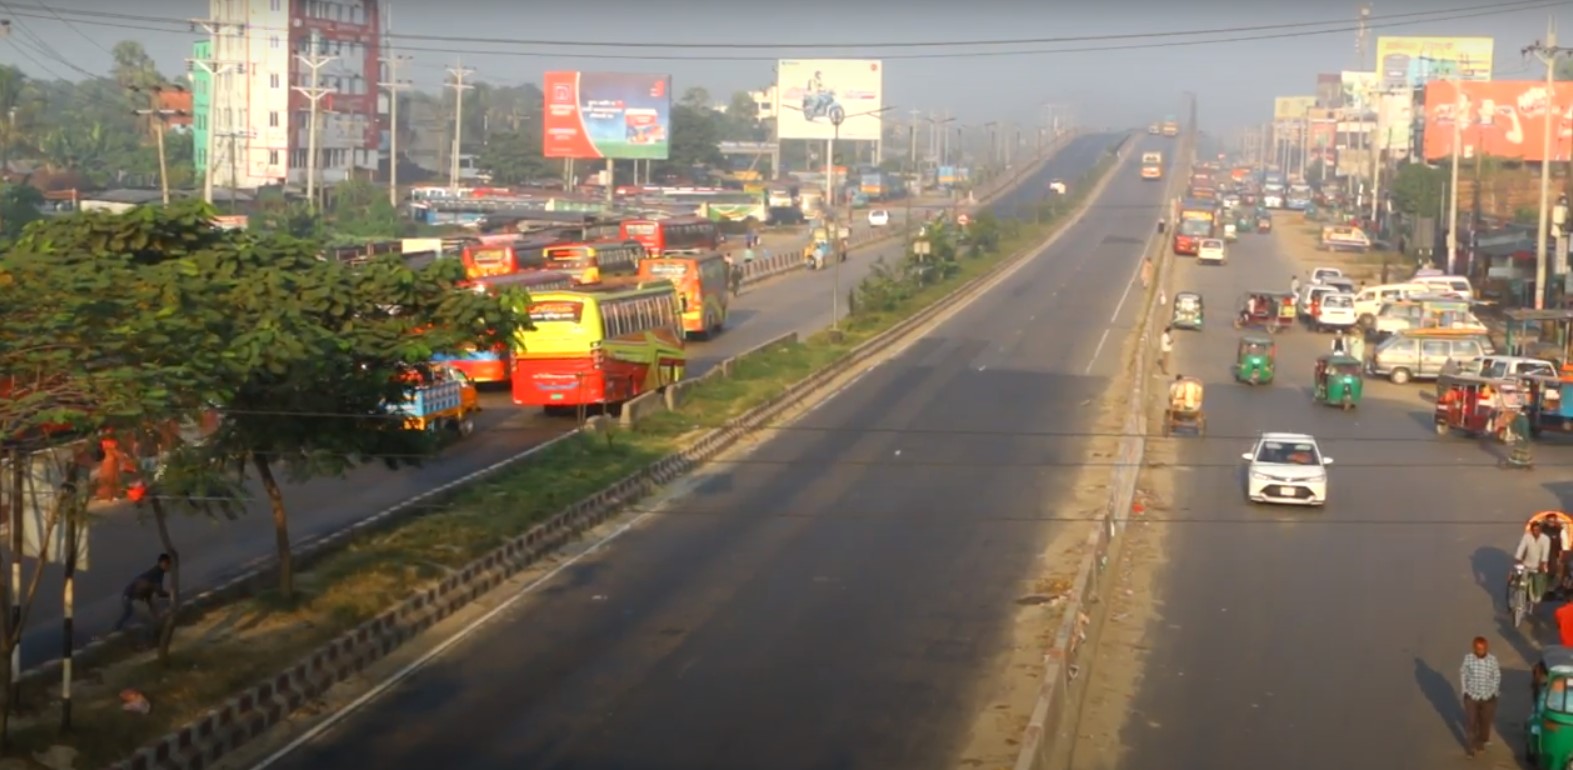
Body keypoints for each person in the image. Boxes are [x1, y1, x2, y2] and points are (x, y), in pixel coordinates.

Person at [1459, 636, 1501, 758]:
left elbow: (1496, 676)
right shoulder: (1468, 659)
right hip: (1472, 697)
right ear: (1474, 648)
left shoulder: (1492, 660)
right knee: (1471, 722)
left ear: (1486, 648)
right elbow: (1463, 673)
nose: (1480, 651)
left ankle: (1481, 742)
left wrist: (1493, 691)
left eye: (1483, 649)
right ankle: (1470, 748)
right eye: (1478, 649)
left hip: (1488, 697)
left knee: (1485, 723)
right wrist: (1464, 690)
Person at [114, 553, 172, 632]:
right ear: (163, 563)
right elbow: (159, 592)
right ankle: (117, 628)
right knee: (148, 620)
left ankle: (116, 628)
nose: (169, 567)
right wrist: (171, 595)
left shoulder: (157, 573)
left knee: (129, 613)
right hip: (130, 596)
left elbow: (152, 594)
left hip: (130, 595)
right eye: (168, 564)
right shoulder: (157, 573)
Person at [1517, 520, 1553, 603]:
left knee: (1538, 583)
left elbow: (1545, 552)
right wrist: (1518, 558)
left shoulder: (1545, 539)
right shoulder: (1527, 537)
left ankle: (1537, 595)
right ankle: (1521, 598)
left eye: (1537, 530)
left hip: (1538, 565)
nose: (1535, 532)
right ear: (1531, 530)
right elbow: (1521, 547)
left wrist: (1542, 563)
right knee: (1522, 583)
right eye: (1534, 530)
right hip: (1527, 564)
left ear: (1540, 530)